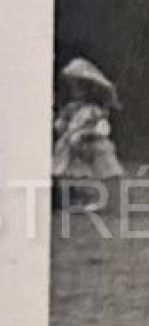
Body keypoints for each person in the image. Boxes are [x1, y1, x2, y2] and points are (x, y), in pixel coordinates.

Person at [52, 58, 124, 212]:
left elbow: (103, 128)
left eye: (81, 88)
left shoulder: (94, 110)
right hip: (70, 144)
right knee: (69, 171)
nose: (76, 91)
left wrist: (86, 133)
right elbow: (62, 123)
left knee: (87, 171)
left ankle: (89, 198)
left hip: (87, 144)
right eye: (75, 87)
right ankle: (74, 197)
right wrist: (61, 124)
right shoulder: (72, 108)